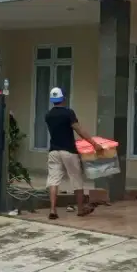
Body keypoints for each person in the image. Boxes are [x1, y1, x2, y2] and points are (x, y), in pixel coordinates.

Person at [45, 87, 102, 220]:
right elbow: (79, 130)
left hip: (53, 151)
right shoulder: (68, 113)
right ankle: (81, 209)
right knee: (76, 179)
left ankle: (53, 210)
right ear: (63, 98)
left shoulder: (48, 115)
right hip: (68, 151)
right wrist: (94, 143)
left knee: (53, 180)